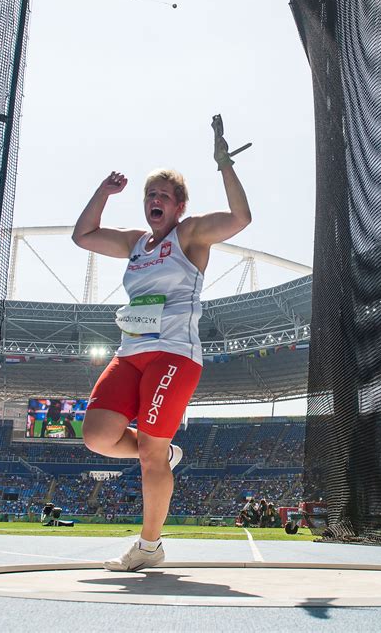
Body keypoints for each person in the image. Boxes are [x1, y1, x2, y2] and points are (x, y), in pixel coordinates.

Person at [73, 116, 252, 571]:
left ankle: (149, 547)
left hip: (173, 354)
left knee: (149, 454)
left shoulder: (189, 235)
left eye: (163, 196)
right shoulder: (135, 243)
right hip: (130, 352)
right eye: (149, 195)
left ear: (178, 206)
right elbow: (83, 236)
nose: (154, 200)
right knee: (95, 435)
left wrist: (223, 163)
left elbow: (239, 218)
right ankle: (163, 449)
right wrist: (102, 192)